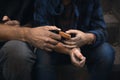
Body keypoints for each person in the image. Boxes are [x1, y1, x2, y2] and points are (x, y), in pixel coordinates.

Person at [34, 0, 115, 80]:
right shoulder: (43, 2)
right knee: (42, 56)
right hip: (55, 48)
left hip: (84, 47)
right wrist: (70, 50)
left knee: (106, 52)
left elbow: (101, 30)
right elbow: (42, 35)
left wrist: (87, 37)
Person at [0, 0, 61, 80]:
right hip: (19, 39)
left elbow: (35, 20)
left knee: (19, 51)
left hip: (26, 38)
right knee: (17, 51)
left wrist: (17, 29)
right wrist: (23, 33)